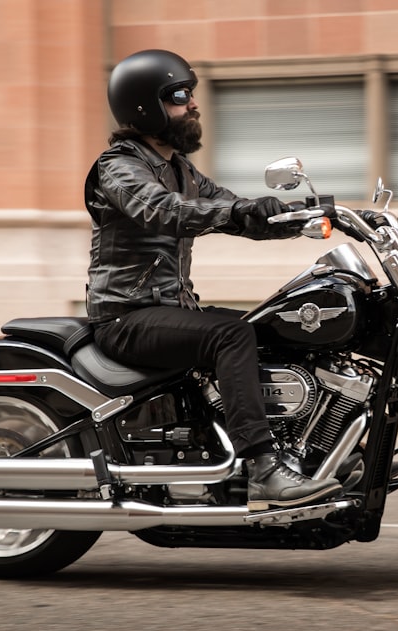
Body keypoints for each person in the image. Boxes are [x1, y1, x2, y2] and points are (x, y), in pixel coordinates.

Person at [84, 49, 342, 511]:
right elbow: (163, 211)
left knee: (269, 328)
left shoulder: (181, 170)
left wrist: (309, 213)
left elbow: (235, 211)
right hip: (127, 317)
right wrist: (239, 210)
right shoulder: (118, 167)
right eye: (180, 96)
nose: (193, 105)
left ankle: (321, 455)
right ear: (147, 106)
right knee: (231, 334)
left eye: (190, 95)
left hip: (170, 312)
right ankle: (263, 470)